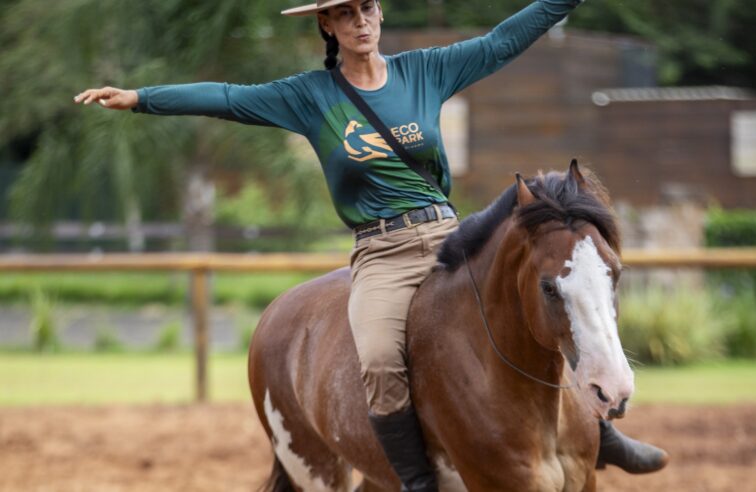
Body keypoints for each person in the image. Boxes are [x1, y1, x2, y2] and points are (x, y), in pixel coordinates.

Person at [75, 1, 668, 490]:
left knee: (550, 293)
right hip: (382, 252)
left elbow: (499, 43)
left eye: (368, 7)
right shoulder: (310, 96)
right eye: (345, 13)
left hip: (450, 233)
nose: (361, 21)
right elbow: (228, 97)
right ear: (327, 26)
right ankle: (416, 480)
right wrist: (141, 97)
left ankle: (602, 435)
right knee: (381, 358)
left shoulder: (425, 71)